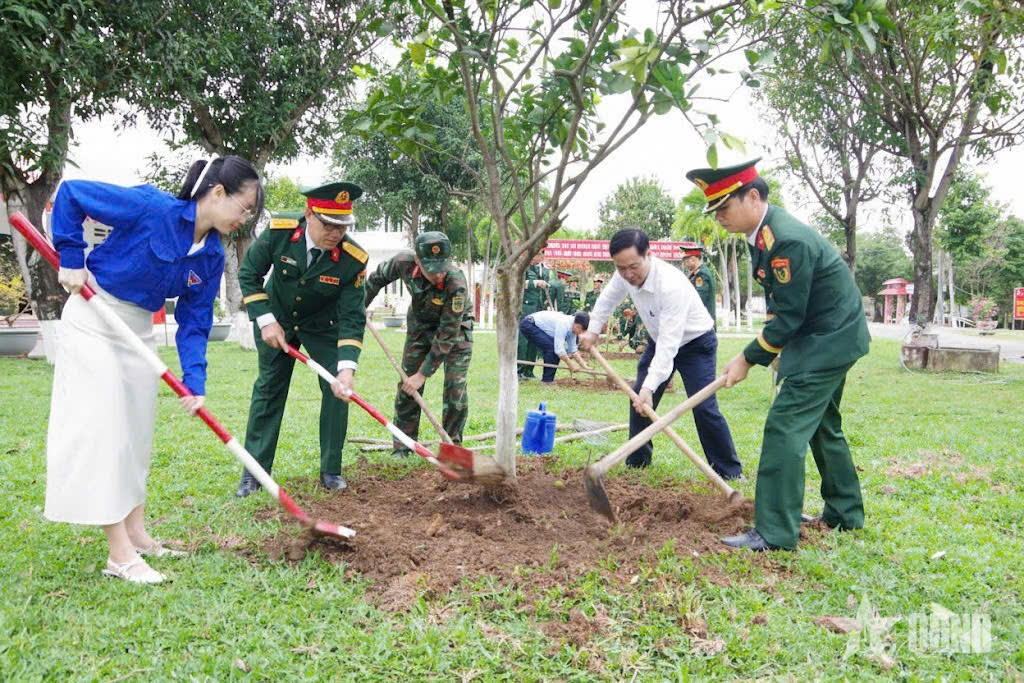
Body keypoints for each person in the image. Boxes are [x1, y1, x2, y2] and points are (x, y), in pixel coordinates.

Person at [46, 156, 264, 584]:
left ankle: (138, 534)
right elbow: (72, 194)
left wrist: (194, 380)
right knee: (107, 433)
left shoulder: (212, 256)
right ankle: (119, 555)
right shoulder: (153, 208)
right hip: (95, 317)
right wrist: (71, 257)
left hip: (138, 330)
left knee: (135, 434)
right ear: (218, 193)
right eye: (245, 207)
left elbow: (195, 322)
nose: (246, 218)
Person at [686, 158, 869, 551]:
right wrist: (774, 351)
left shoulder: (784, 240)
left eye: (724, 207)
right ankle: (845, 512)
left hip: (827, 340)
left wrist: (748, 358)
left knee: (784, 426)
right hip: (825, 335)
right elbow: (781, 305)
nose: (718, 217)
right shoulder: (764, 234)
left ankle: (773, 532)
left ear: (753, 196)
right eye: (714, 210)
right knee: (822, 424)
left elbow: (788, 317)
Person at [235, 182, 368, 497]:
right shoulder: (280, 231)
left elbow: (352, 316)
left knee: (338, 389)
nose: (336, 233)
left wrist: (346, 369)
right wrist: (266, 321)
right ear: (309, 214)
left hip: (323, 326)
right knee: (269, 390)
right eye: (328, 224)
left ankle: (331, 471)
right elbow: (249, 274)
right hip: (276, 319)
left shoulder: (353, 258)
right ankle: (254, 474)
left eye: (342, 226)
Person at [578, 228, 742, 479]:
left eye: (633, 266)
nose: (628, 274)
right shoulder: (624, 272)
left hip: (696, 343)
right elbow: (607, 300)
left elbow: (670, 345)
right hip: (659, 340)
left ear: (649, 255)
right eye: (621, 268)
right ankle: (638, 462)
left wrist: (650, 387)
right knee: (638, 400)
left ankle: (729, 471)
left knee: (703, 406)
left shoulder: (671, 284)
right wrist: (593, 330)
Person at [364, 231, 474, 453]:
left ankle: (452, 447)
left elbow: (447, 334)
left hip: (456, 329)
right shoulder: (402, 262)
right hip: (420, 325)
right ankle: (403, 447)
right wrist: (359, 306)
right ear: (417, 261)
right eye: (433, 270)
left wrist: (422, 375)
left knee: (455, 388)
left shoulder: (456, 283)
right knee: (407, 386)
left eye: (443, 267)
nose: (439, 275)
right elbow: (376, 279)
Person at [518, 310, 591, 383]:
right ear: (577, 326)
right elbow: (559, 350)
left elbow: (573, 350)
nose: (581, 334)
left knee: (553, 348)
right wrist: (570, 364)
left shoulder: (573, 328)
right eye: (581, 331)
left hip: (535, 326)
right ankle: (547, 381)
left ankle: (549, 380)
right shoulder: (564, 323)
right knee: (552, 349)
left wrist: (584, 365)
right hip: (528, 325)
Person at [517, 255, 555, 380]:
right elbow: (516, 283)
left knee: (534, 340)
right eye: (539, 255)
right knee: (523, 341)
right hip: (525, 307)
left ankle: (529, 370)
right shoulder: (521, 266)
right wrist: (535, 283)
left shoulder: (539, 269)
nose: (541, 258)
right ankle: (519, 371)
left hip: (537, 309)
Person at [682, 244, 716, 324]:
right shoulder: (697, 273)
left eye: (687, 261)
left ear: (694, 259)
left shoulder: (701, 274)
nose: (685, 265)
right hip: (701, 319)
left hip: (703, 320)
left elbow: (699, 298)